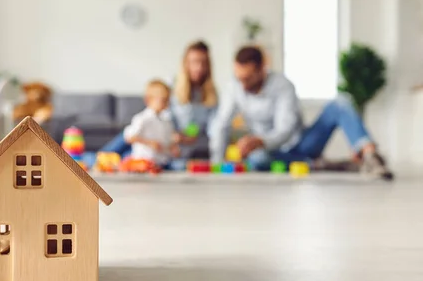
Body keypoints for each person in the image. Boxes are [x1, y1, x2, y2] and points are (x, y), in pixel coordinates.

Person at [209, 46, 394, 180]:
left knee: (340, 102)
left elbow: (286, 129)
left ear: (261, 70)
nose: (243, 85)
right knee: (258, 159)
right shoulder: (234, 88)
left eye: (248, 79)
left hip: (301, 143)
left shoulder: (283, 86)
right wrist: (216, 161)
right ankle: (320, 165)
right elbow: (221, 123)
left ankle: (371, 156)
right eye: (239, 78)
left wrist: (261, 140)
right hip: (269, 153)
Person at [101, 40, 220, 157]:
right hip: (158, 133)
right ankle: (98, 158)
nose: (199, 67)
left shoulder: (211, 96)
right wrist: (170, 132)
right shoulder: (171, 84)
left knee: (130, 157)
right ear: (186, 63)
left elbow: (212, 128)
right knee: (130, 134)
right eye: (194, 62)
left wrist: (189, 138)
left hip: (173, 146)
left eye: (203, 63)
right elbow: (159, 112)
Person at [123, 80, 180, 167]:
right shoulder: (142, 118)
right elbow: (129, 137)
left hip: (162, 163)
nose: (167, 104)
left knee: (180, 166)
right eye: (163, 100)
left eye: (168, 100)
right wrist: (149, 143)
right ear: (148, 100)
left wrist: (173, 148)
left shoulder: (167, 121)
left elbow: (168, 143)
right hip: (143, 163)